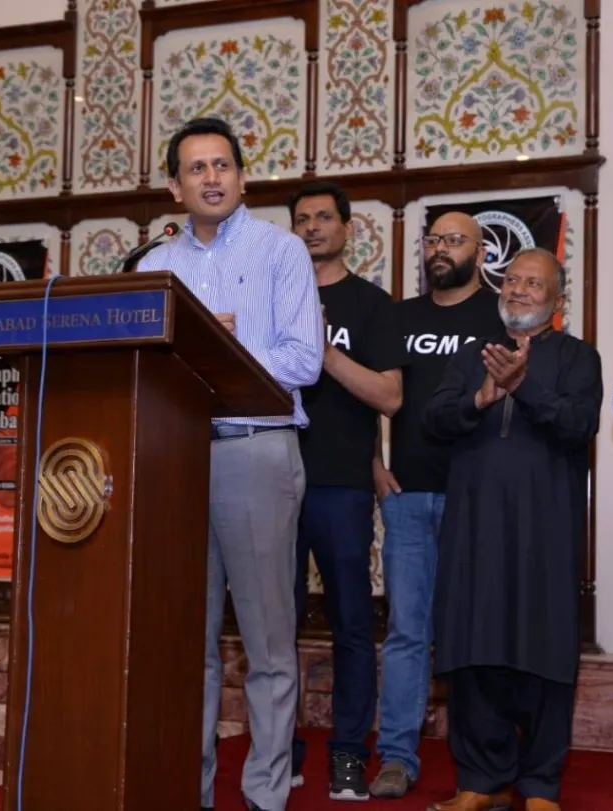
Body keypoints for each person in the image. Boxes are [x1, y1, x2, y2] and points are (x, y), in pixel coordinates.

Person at [134, 116, 324, 811]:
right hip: (176, 463)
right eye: (196, 168)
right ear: (174, 187)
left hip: (256, 452)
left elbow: (303, 360)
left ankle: (265, 795)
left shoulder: (281, 252)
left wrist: (222, 351)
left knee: (267, 643)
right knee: (189, 645)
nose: (211, 178)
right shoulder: (153, 269)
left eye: (222, 165)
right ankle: (191, 790)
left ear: (242, 178)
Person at [422, 248, 602, 811]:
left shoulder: (578, 358)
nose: (519, 289)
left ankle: (540, 785)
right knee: (473, 646)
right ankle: (480, 780)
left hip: (544, 531)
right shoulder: (473, 355)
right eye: (513, 280)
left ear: (557, 299)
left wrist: (523, 387)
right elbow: (434, 419)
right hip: (474, 528)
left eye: (533, 283)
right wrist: (482, 396)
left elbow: (579, 424)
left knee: (543, 649)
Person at [368, 212, 506, 799]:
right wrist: (374, 465)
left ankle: (488, 763)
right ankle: (397, 757)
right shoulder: (400, 316)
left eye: (454, 240)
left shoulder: (500, 314)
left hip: (475, 498)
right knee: (406, 631)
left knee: (481, 630)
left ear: (481, 252)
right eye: (433, 240)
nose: (440, 250)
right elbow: (374, 398)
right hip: (406, 496)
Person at [285, 181, 409, 801]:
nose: (312, 227)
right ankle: (281, 749)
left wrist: (325, 350)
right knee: (272, 628)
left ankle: (348, 754)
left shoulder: (371, 304)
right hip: (272, 481)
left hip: (341, 485)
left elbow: (390, 397)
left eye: (323, 217)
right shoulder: (274, 299)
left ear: (347, 229)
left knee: (353, 625)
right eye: (301, 219)